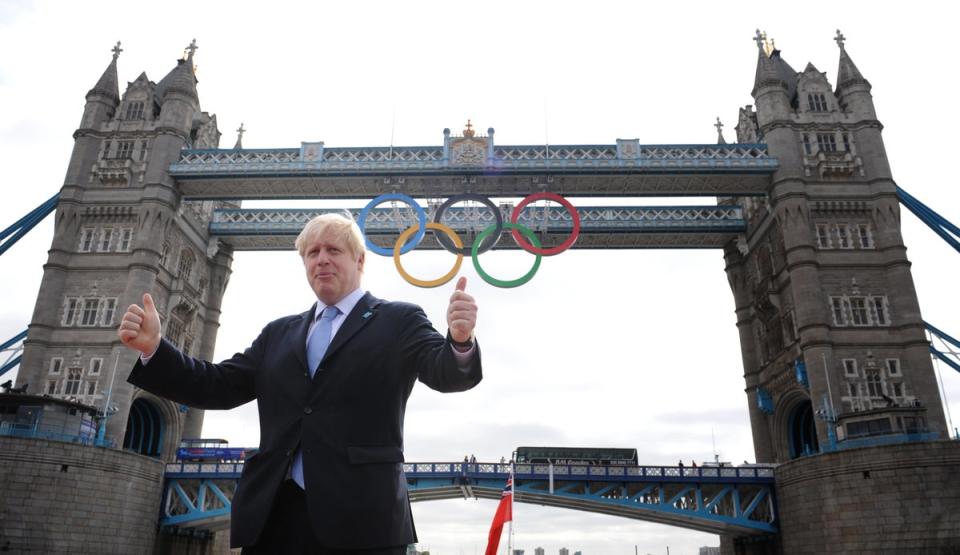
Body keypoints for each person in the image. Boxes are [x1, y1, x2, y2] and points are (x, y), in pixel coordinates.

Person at [117, 213, 482, 554]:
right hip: (274, 516)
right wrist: (154, 349)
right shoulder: (279, 333)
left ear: (360, 261)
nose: (321, 259)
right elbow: (216, 385)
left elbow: (445, 371)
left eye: (333, 250)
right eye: (312, 252)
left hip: (364, 521)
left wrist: (460, 340)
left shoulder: (399, 320)